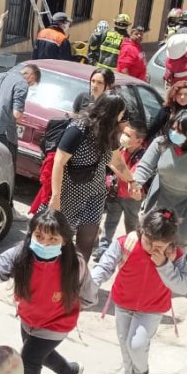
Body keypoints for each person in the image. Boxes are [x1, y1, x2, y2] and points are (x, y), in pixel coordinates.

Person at [0, 209, 97, 374]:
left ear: (65, 240)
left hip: (57, 322)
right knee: (41, 355)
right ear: (31, 235)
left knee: (29, 359)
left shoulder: (75, 262)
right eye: (39, 237)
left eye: (53, 238)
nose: (45, 243)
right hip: (29, 317)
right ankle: (69, 371)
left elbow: (88, 293)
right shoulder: (21, 253)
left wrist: (70, 309)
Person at [90, 209, 187, 374]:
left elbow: (185, 287)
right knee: (125, 345)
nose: (152, 249)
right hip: (123, 303)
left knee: (136, 345)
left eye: (159, 246)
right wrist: (89, 285)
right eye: (148, 242)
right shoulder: (125, 243)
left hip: (152, 308)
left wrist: (164, 265)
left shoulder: (174, 255)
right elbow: (105, 266)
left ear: (170, 243)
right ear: (141, 231)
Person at [49, 93, 139, 261]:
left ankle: (77, 280)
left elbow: (116, 161)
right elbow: (59, 162)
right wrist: (55, 197)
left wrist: (131, 181)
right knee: (59, 239)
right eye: (121, 113)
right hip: (70, 192)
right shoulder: (78, 129)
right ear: (113, 112)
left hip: (95, 194)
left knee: (87, 241)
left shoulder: (109, 132)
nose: (122, 117)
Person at [130, 111, 187, 258]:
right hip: (160, 197)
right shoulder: (161, 143)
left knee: (177, 246)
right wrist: (136, 183)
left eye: (181, 131)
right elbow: (144, 166)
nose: (175, 133)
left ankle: (173, 274)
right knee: (149, 238)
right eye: (173, 129)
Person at [94, 120, 147, 262]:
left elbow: (133, 175)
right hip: (115, 193)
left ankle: (132, 252)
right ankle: (103, 250)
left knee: (131, 225)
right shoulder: (121, 149)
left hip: (131, 198)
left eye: (128, 135)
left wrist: (113, 165)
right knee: (110, 222)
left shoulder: (142, 156)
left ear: (139, 140)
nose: (123, 137)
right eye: (123, 133)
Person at [0, 63, 41, 175]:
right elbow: (16, 114)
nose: (28, 85)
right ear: (31, 77)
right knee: (4, 172)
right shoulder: (21, 83)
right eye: (31, 84)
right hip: (2, 133)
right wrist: (20, 117)